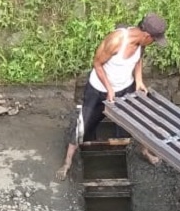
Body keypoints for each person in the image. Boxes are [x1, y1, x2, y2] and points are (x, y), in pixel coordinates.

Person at [55, 13, 168, 180]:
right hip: (99, 89)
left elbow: (138, 60)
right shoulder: (116, 41)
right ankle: (67, 162)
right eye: (154, 40)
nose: (153, 44)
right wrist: (109, 88)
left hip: (125, 87)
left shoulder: (141, 43)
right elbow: (97, 64)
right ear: (147, 35)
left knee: (136, 119)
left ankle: (144, 151)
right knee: (84, 124)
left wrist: (138, 81)